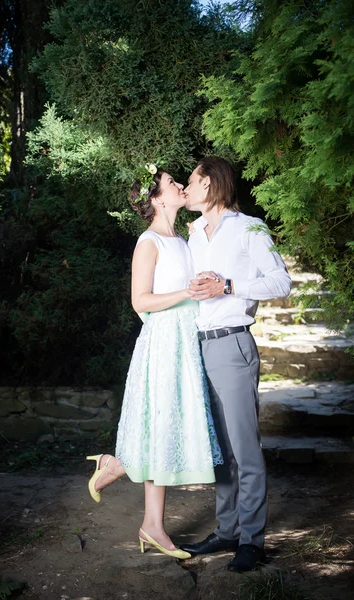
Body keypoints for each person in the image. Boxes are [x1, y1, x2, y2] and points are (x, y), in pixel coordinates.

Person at [86, 165, 223, 560]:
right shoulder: (149, 243)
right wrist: (186, 293)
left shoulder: (182, 239)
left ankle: (142, 509)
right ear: (157, 198)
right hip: (163, 343)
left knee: (167, 427)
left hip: (184, 341)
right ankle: (146, 515)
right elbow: (139, 301)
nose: (181, 185)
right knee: (160, 424)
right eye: (172, 182)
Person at [179, 157, 292, 572]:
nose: (186, 189)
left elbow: (281, 282)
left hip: (232, 346)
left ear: (208, 184)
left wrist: (228, 285)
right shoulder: (193, 235)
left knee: (244, 450)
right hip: (199, 347)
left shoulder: (248, 228)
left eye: (191, 182)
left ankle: (252, 540)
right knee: (219, 452)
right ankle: (227, 530)